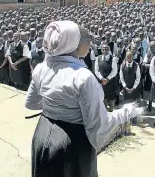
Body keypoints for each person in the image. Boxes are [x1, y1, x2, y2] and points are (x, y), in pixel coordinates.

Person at [26, 21, 143, 177]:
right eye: (86, 39)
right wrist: (128, 112)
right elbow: (99, 126)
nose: (90, 43)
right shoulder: (83, 77)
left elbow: (31, 103)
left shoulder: (42, 67)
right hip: (71, 144)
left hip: (42, 135)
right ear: (73, 43)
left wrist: (55, 106)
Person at [119, 50, 142, 124]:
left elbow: (138, 77)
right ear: (125, 57)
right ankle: (127, 117)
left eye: (130, 57)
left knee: (134, 103)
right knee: (127, 103)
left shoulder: (136, 65)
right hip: (126, 87)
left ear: (132, 57)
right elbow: (121, 77)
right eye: (127, 57)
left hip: (134, 87)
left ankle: (134, 117)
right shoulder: (122, 65)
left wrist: (133, 87)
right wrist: (125, 87)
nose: (129, 58)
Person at [95, 44, 119, 112]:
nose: (104, 50)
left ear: (109, 50)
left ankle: (111, 111)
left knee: (111, 98)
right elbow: (96, 70)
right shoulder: (98, 58)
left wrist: (107, 79)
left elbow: (115, 71)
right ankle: (105, 113)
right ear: (101, 50)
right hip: (101, 82)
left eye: (106, 49)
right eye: (103, 49)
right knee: (103, 98)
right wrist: (101, 78)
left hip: (110, 82)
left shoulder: (113, 59)